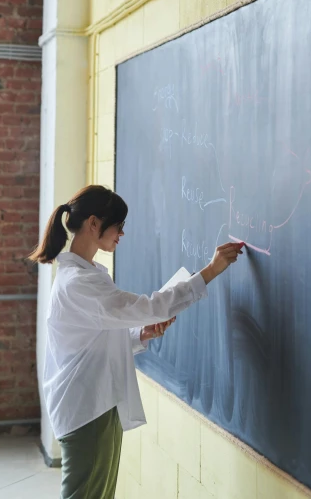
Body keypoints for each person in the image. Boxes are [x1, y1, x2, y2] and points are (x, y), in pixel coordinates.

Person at [28, 184, 244, 499]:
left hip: (96, 405)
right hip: (88, 409)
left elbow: (93, 342)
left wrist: (140, 334)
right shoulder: (80, 283)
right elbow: (149, 307)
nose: (122, 234)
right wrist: (209, 272)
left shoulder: (85, 277)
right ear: (93, 224)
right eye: (119, 226)